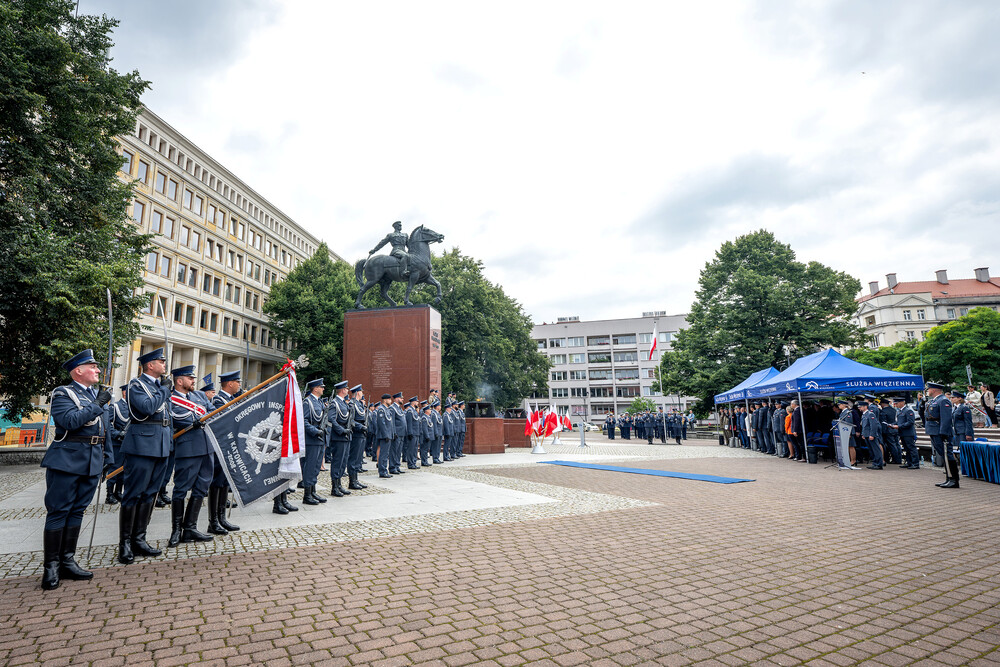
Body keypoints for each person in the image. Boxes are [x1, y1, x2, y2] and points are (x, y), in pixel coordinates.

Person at [39, 349, 114, 590]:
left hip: (92, 460)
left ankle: (67, 561)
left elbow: (104, 430)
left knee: (78, 511)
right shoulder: (64, 393)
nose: (98, 370)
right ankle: (51, 566)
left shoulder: (95, 395)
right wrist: (97, 404)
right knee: (59, 511)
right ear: (78, 371)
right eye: (93, 367)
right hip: (67, 460)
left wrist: (107, 458)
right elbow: (69, 422)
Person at [119, 347, 171, 565]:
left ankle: (140, 539)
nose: (164, 365)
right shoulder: (136, 385)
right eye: (161, 361)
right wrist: (165, 391)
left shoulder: (159, 386)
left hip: (161, 443)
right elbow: (148, 408)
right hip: (142, 444)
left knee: (150, 494)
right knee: (133, 494)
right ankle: (125, 544)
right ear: (150, 365)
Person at [166, 365, 216, 545]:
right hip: (187, 449)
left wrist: (201, 419)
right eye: (190, 378)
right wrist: (193, 421)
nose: (194, 381)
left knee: (202, 487)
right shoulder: (170, 399)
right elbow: (175, 417)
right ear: (179, 381)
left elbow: (212, 411)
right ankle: (176, 530)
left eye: (193, 378)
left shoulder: (200, 396)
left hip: (206, 447)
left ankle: (190, 529)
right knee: (181, 489)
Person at [924, 382, 958, 489]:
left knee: (947, 455)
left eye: (928, 389)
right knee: (943, 454)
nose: (927, 391)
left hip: (940, 432)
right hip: (934, 431)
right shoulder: (934, 400)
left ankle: (953, 479)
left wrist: (943, 432)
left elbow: (946, 418)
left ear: (934, 390)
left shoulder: (943, 400)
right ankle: (948, 478)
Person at [301, 378, 328, 506]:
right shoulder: (308, 402)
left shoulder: (319, 402)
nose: (323, 389)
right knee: (310, 467)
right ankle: (307, 494)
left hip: (320, 439)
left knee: (316, 467)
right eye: (321, 387)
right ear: (315, 388)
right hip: (312, 439)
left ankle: (313, 491)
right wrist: (315, 431)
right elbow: (304, 421)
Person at [326, 380, 353, 496]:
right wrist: (341, 430)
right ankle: (334, 487)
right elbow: (331, 419)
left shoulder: (344, 403)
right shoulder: (334, 403)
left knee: (343, 462)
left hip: (346, 436)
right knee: (337, 461)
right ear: (342, 390)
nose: (348, 391)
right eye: (347, 389)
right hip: (339, 436)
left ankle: (340, 485)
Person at [104, 384, 129, 505]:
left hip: (129, 444)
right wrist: (117, 434)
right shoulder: (115, 407)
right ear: (124, 393)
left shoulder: (133, 407)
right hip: (117, 443)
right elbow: (108, 424)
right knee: (114, 468)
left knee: (124, 469)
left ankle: (119, 492)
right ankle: (109, 494)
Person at [347, 385, 369, 489]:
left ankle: (356, 479)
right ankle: (352, 481)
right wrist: (360, 426)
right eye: (361, 391)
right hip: (356, 433)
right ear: (357, 393)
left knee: (358, 458)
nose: (362, 393)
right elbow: (350, 420)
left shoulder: (359, 404)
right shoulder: (352, 404)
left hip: (361, 434)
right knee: (353, 458)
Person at [891, 397, 919, 469]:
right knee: (906, 448)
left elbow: (910, 422)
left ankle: (915, 463)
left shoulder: (908, 411)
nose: (895, 405)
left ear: (902, 402)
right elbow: (899, 421)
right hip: (902, 433)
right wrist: (893, 425)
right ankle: (909, 462)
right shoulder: (900, 411)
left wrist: (899, 426)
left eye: (896, 403)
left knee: (911, 448)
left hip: (908, 433)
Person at [374, 393, 395, 478]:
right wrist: (386, 434)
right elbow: (382, 424)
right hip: (384, 435)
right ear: (385, 400)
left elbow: (390, 423)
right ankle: (382, 471)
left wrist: (392, 434)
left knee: (386, 454)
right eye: (389, 399)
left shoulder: (387, 409)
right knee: (383, 454)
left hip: (388, 434)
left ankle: (384, 470)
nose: (391, 401)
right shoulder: (381, 409)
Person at [858, 401, 884, 470]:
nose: (859, 408)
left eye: (860, 407)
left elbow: (873, 425)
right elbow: (864, 426)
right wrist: (863, 434)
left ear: (865, 407)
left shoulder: (870, 414)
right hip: (866, 435)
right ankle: (875, 463)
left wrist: (872, 434)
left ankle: (879, 464)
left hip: (871, 435)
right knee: (871, 450)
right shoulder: (864, 414)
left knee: (876, 450)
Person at [878, 398, 901, 465]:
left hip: (888, 430)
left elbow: (883, 422)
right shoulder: (893, 410)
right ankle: (898, 458)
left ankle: (895, 459)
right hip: (895, 429)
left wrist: (883, 432)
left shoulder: (883, 411)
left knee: (892, 445)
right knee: (897, 444)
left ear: (882, 404)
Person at [388, 392, 407, 472]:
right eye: (401, 398)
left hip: (402, 433)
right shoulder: (392, 408)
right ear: (396, 399)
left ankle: (397, 466)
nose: (402, 399)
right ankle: (392, 467)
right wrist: (394, 432)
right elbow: (392, 422)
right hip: (397, 433)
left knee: (399, 451)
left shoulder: (399, 408)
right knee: (394, 451)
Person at [835, 398, 856, 466]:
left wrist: (849, 433)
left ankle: (853, 460)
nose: (838, 406)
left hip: (847, 432)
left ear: (844, 405)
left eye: (840, 404)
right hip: (844, 431)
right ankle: (848, 460)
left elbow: (849, 423)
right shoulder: (843, 412)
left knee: (851, 446)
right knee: (847, 446)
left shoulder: (847, 412)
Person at [404, 396, 421, 469]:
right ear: (413, 402)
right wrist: (410, 432)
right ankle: (410, 463)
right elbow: (409, 422)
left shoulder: (414, 411)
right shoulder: (410, 411)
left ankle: (413, 462)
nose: (417, 403)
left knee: (414, 449)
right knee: (411, 449)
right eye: (417, 401)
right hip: (412, 433)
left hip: (416, 432)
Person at [418, 401, 434, 466]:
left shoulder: (428, 417)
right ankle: (424, 461)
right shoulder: (424, 418)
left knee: (426, 449)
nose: (430, 411)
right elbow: (425, 428)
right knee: (424, 449)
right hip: (425, 437)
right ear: (426, 411)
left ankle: (425, 461)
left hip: (429, 436)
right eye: (429, 409)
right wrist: (427, 436)